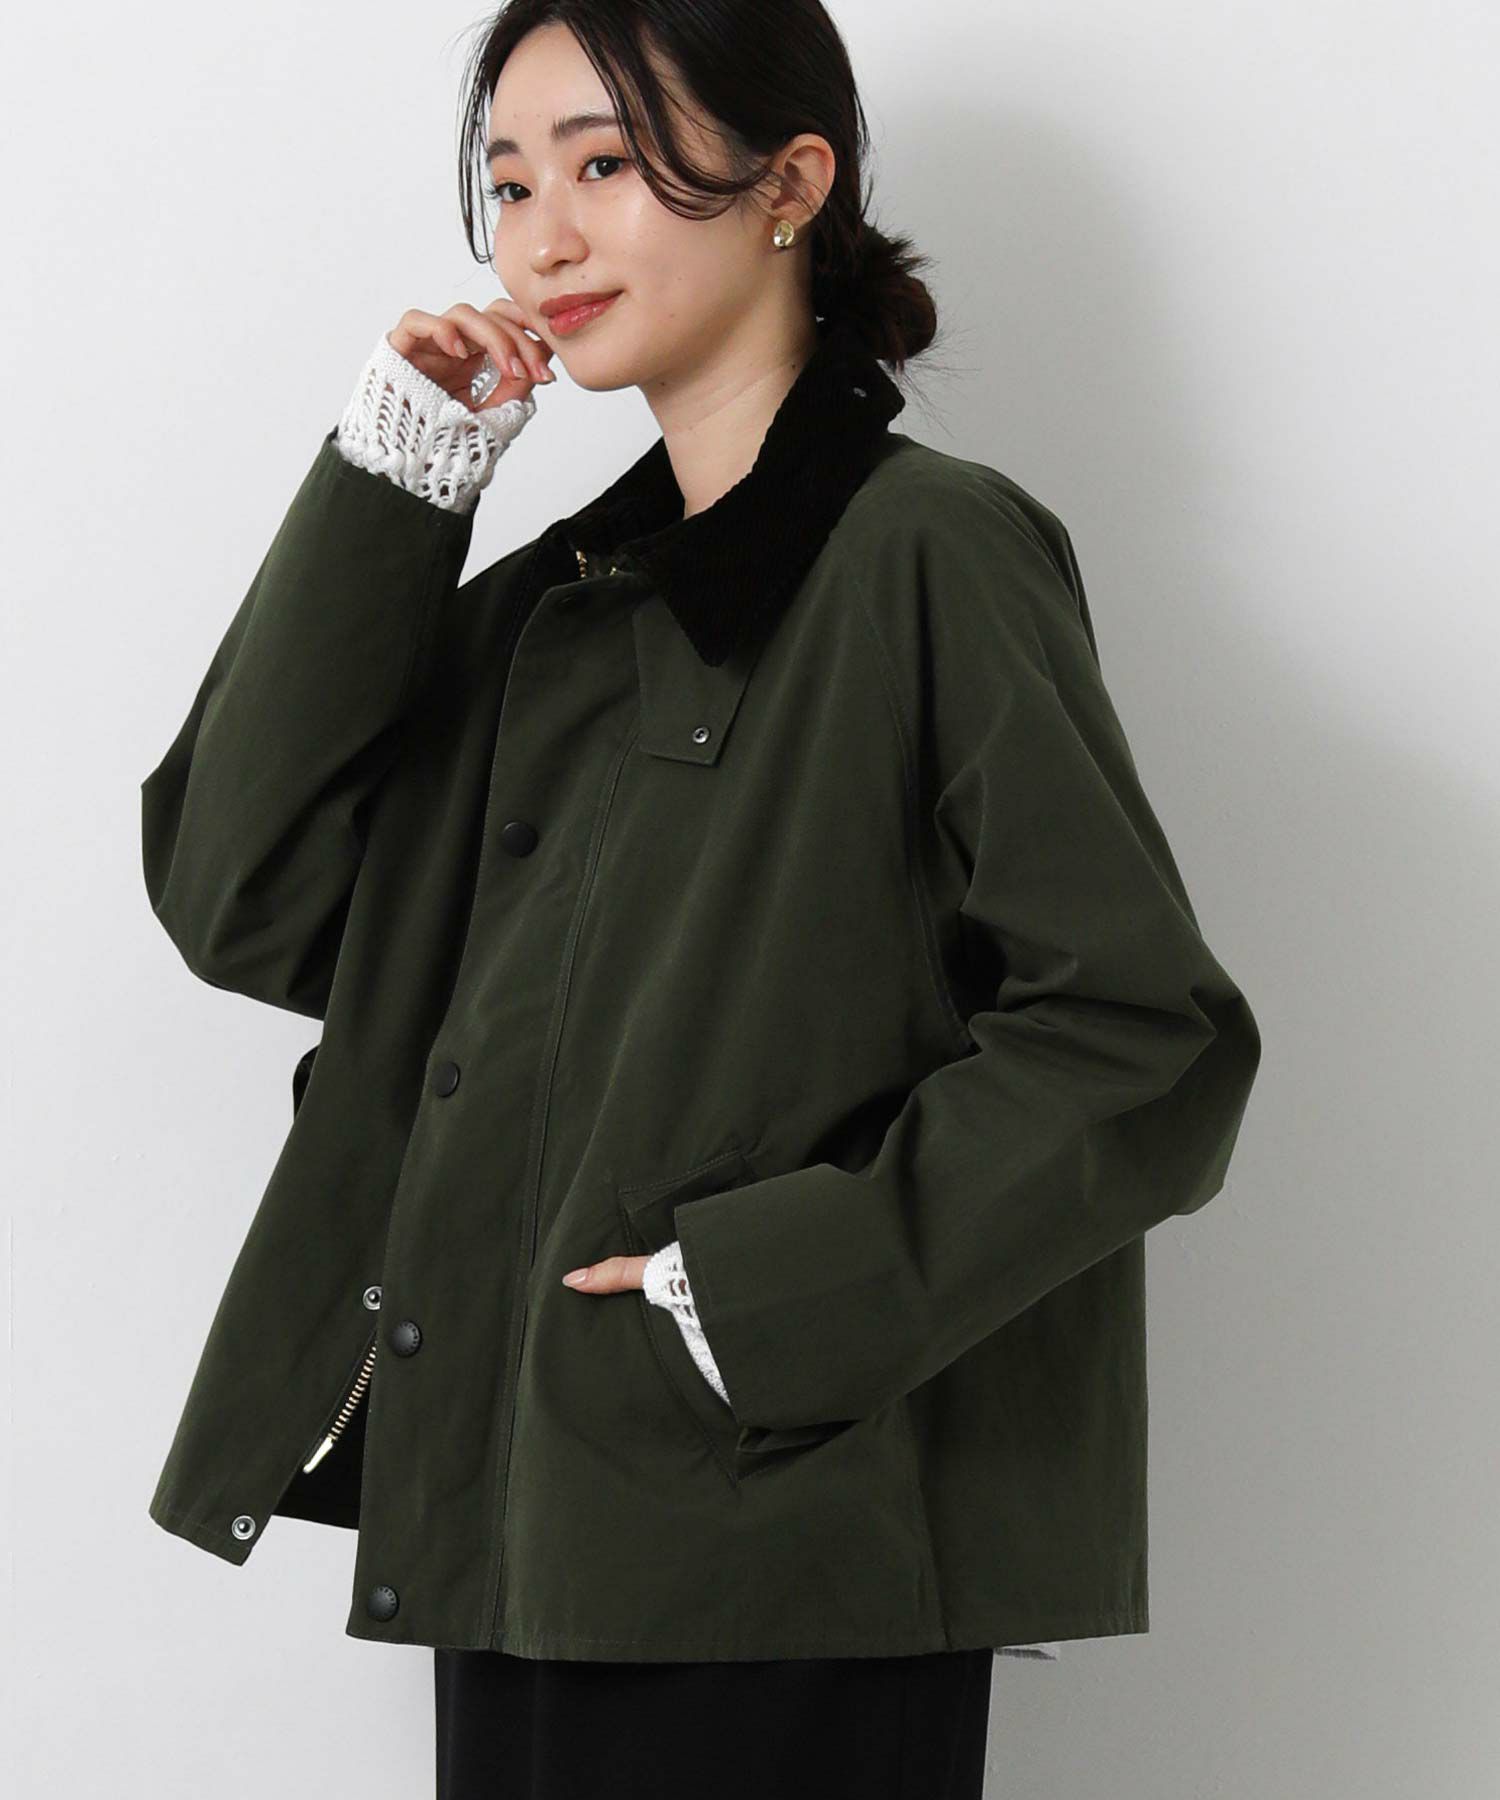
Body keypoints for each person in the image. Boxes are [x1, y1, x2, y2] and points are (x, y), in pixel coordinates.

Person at [140, 4, 1261, 1797]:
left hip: (786, 1537)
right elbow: (243, 894)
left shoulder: (929, 552)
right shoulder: (553, 619)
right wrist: (399, 477)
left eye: (605, 164)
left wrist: (750, 1295)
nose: (546, 236)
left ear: (789, 183)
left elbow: (1143, 1038)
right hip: (522, 1522)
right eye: (513, 183)